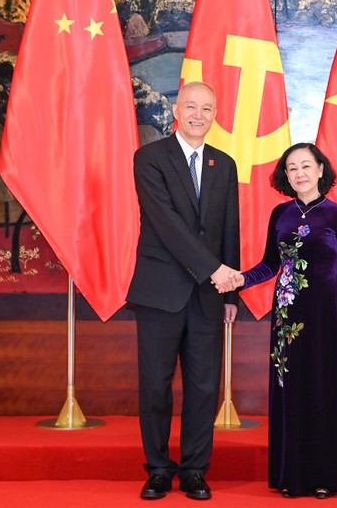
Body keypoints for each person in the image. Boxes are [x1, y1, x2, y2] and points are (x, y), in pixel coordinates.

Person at [221, 142, 337, 499]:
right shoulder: (280, 214)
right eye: (292, 168)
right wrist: (240, 279)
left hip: (328, 316)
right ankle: (292, 477)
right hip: (287, 317)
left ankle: (323, 478)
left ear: (320, 170)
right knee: (292, 392)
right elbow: (270, 265)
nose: (299, 173)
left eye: (305, 166)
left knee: (323, 391)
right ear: (286, 176)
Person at [126, 81, 240, 501]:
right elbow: (167, 224)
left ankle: (194, 469)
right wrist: (216, 271)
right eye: (191, 106)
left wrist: (230, 294)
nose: (198, 115)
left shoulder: (223, 165)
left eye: (207, 108)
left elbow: (229, 230)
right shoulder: (149, 158)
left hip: (209, 298)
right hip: (160, 292)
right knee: (155, 385)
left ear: (215, 114)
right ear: (177, 109)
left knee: (204, 386)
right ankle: (158, 468)